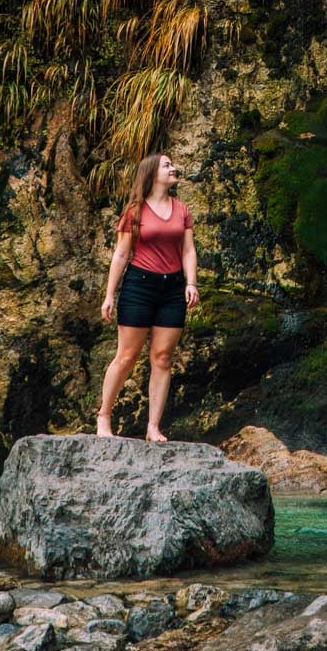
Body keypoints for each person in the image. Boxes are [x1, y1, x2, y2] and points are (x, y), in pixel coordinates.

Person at [96, 152, 200, 441]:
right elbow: (121, 255)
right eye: (167, 165)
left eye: (172, 164)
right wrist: (109, 295)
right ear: (152, 173)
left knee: (163, 358)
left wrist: (191, 283)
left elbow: (188, 250)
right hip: (139, 286)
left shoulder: (182, 209)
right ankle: (104, 416)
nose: (173, 168)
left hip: (172, 289)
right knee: (127, 356)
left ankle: (153, 427)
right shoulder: (135, 211)